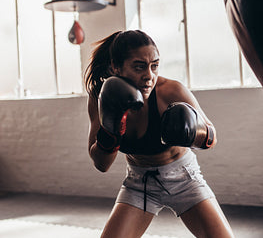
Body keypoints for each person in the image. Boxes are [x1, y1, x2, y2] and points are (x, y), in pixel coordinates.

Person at [84, 30, 234, 238]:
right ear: (115, 67)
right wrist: (112, 128)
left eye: (154, 66)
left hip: (185, 179)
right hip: (139, 183)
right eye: (139, 67)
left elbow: (211, 137)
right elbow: (101, 164)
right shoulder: (101, 98)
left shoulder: (170, 91)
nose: (149, 76)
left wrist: (194, 130)